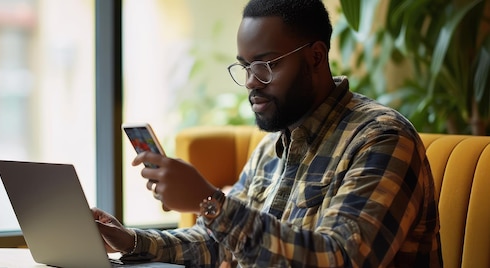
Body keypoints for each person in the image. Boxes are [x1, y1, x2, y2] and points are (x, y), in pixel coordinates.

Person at [92, 0, 442, 267]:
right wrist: (130, 240)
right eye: (245, 66)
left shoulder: (381, 139)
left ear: (316, 57)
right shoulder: (271, 148)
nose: (250, 83)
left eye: (266, 65)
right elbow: (219, 243)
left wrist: (209, 202)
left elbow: (340, 257)